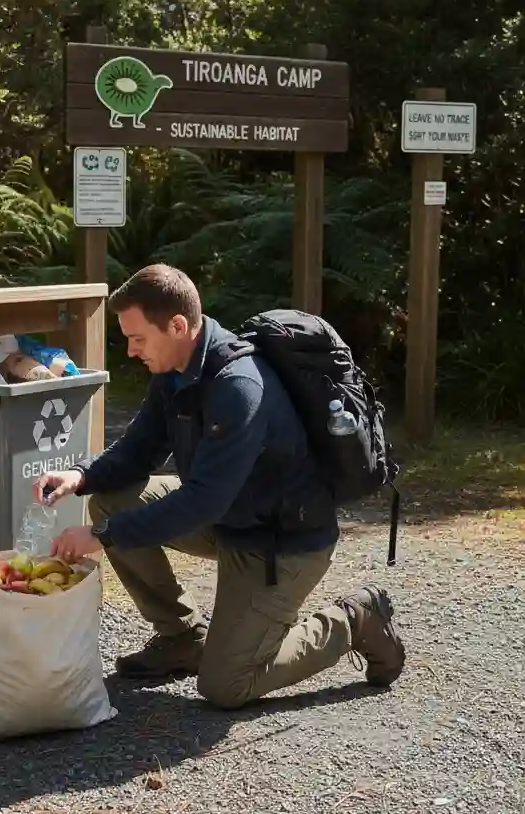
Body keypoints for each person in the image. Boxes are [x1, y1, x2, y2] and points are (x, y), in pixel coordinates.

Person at [33, 263, 405, 710]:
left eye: (137, 339)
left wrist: (99, 537)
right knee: (112, 502)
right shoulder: (175, 372)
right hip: (231, 518)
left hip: (281, 543)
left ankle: (357, 619)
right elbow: (138, 450)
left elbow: (204, 499)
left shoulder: (239, 386)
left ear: (177, 325)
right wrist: (81, 475)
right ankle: (182, 639)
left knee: (225, 686)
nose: (131, 351)